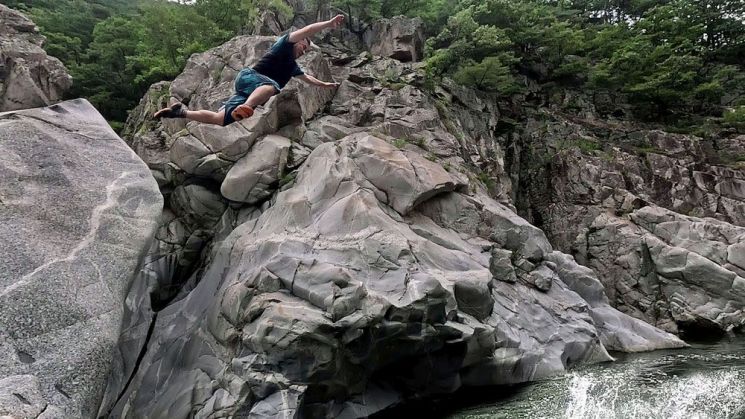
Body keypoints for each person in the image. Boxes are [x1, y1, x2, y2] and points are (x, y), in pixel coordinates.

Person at [153, 14, 345, 126]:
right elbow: (308, 29)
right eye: (304, 46)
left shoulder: (292, 67)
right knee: (273, 87)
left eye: (307, 50)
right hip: (250, 78)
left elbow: (308, 79)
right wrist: (328, 24)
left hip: (247, 90)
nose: (304, 50)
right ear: (298, 41)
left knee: (220, 119)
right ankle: (246, 106)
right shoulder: (283, 46)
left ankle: (179, 113)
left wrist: (325, 84)